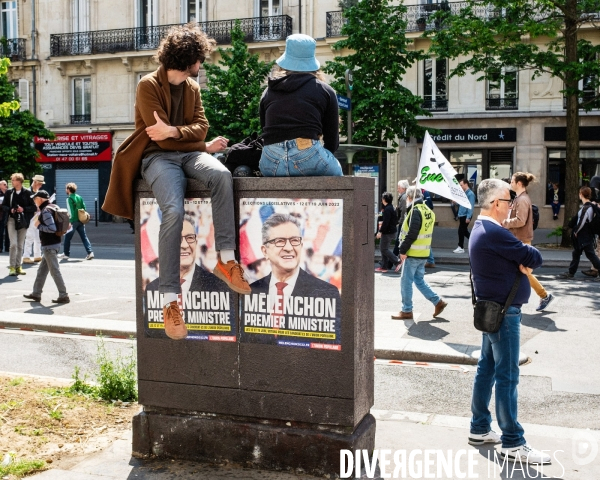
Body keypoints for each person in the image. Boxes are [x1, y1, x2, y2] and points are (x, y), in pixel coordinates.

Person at [102, 23, 251, 340]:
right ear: (188, 60)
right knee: (172, 208)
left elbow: (202, 127)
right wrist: (186, 139)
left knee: (222, 175)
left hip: (186, 154)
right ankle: (170, 302)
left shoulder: (192, 89)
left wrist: (177, 133)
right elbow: (161, 139)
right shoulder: (147, 86)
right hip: (156, 158)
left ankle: (226, 260)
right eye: (200, 59)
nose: (202, 64)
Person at [468, 178, 550, 465]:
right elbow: (534, 256)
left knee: (487, 370)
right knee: (507, 377)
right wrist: (523, 259)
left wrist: (520, 260)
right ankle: (513, 442)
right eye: (508, 200)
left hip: (493, 311)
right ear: (495, 204)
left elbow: (523, 258)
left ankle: (479, 428)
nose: (511, 205)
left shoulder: (481, 228)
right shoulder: (494, 232)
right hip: (504, 314)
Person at [247, 213, 341, 342]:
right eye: (279, 241)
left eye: (294, 241)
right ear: (265, 251)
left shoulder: (326, 293)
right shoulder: (250, 292)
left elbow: (331, 349)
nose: (288, 248)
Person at [258, 34, 342, 177]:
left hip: (270, 160)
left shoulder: (269, 91)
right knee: (338, 175)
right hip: (308, 153)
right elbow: (332, 141)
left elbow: (264, 128)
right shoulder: (325, 91)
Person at [145, 216, 233, 340]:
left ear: (196, 242)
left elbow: (226, 338)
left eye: (190, 238)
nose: (185, 245)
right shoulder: (152, 288)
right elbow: (152, 338)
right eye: (177, 239)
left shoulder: (219, 286)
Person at [391, 187, 447, 320]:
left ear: (410, 197)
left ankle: (407, 310)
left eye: (406, 198)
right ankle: (438, 302)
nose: (405, 201)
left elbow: (412, 233)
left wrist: (402, 250)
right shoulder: (428, 210)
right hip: (423, 252)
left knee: (405, 282)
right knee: (419, 280)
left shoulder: (415, 211)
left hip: (413, 253)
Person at [502, 172, 555, 311]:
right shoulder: (519, 198)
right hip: (519, 238)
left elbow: (520, 221)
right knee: (519, 270)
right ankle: (540, 296)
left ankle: (544, 295)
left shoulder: (522, 200)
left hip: (521, 239)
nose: (510, 183)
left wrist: (505, 222)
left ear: (519, 183)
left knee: (524, 271)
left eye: (512, 181)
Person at [23, 190, 69, 304]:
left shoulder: (45, 211)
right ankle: (36, 293)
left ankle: (64, 295)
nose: (34, 201)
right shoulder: (54, 206)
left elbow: (52, 228)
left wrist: (39, 226)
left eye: (35, 198)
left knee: (54, 271)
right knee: (42, 271)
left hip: (49, 245)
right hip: (54, 243)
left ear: (41, 199)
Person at [559, 186, 600, 279]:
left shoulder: (587, 207)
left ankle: (571, 273)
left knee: (590, 255)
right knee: (576, 253)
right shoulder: (590, 206)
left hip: (583, 235)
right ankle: (571, 272)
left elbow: (582, 221)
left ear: (581, 194)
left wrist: (576, 231)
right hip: (585, 234)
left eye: (579, 193)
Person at [1, 173, 36, 276]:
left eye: (14, 180)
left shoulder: (27, 193)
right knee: (13, 244)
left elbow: (33, 207)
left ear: (19, 181)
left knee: (20, 245)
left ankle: (18, 266)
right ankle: (12, 267)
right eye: (12, 180)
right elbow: (3, 206)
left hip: (23, 221)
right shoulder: (9, 193)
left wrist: (23, 209)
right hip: (11, 219)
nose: (12, 182)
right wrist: (10, 209)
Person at [61, 182, 94, 260]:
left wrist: (69, 222)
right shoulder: (79, 197)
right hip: (80, 220)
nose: (65, 190)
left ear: (68, 189)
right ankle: (90, 252)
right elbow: (84, 208)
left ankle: (66, 254)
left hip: (73, 221)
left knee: (67, 237)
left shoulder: (69, 199)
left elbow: (70, 211)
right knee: (84, 237)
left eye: (66, 189)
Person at [376, 192, 401, 273]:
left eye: (382, 198)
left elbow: (385, 222)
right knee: (383, 248)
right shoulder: (391, 207)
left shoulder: (387, 209)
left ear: (384, 199)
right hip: (391, 231)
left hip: (388, 232)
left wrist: (380, 231)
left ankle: (397, 261)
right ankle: (384, 266)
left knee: (384, 249)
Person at [22, 174, 45, 264]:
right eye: (40, 183)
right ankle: (26, 256)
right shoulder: (28, 192)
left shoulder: (37, 191)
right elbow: (25, 206)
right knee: (30, 237)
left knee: (37, 237)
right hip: (30, 217)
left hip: (37, 217)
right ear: (35, 182)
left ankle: (37, 255)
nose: (41, 185)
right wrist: (36, 207)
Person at [453, 178, 475, 254]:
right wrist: (456, 202)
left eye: (461, 185)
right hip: (463, 214)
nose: (460, 187)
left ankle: (461, 247)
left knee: (461, 231)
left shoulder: (470, 194)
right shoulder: (465, 193)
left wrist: (468, 217)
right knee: (464, 231)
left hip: (465, 215)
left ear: (466, 184)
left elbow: (471, 206)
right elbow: (462, 204)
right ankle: (474, 242)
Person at [393, 180, 410, 258]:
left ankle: (392, 260)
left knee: (398, 241)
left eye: (399, 188)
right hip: (403, 222)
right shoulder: (404, 196)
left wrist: (400, 222)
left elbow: (403, 211)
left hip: (402, 222)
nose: (397, 189)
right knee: (399, 241)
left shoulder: (403, 197)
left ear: (403, 188)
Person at [0, 180, 9, 253]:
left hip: (8, 214)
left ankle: (7, 247)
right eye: (4, 184)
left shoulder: (8, 193)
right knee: (0, 231)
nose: (6, 186)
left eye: (6, 184)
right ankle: (0, 247)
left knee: (8, 231)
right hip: (1, 215)